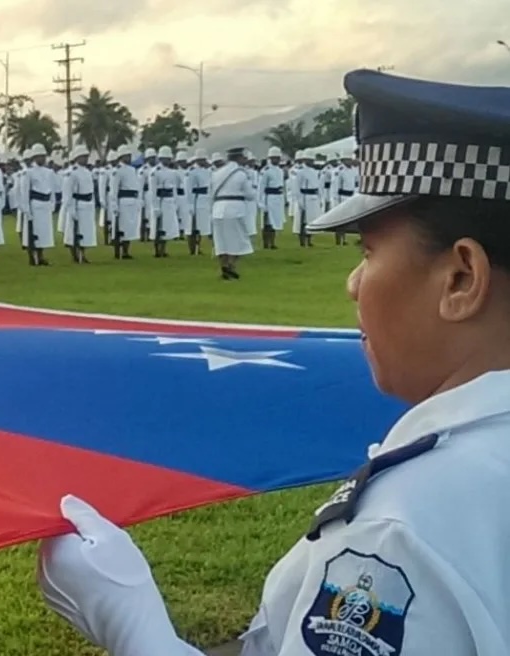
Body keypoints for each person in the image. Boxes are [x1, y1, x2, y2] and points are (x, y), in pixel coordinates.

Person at [37, 68, 510, 655]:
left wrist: (138, 632)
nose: (353, 283)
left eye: (368, 252)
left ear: (461, 278)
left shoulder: (401, 532)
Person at [210, 146, 257, 280]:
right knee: (238, 240)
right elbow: (250, 195)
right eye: (243, 158)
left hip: (218, 209)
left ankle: (223, 266)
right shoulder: (241, 173)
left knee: (221, 241)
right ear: (239, 158)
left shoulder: (217, 173)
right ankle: (231, 266)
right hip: (234, 209)